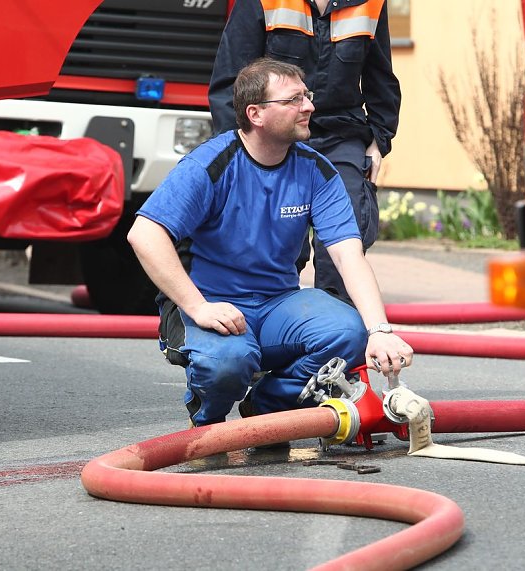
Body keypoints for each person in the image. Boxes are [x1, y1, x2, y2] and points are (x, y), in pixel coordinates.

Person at [127, 58, 412, 427]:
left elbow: (348, 255)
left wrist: (380, 332)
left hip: (277, 303)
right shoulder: (210, 164)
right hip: (212, 304)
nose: (309, 106)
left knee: (349, 333)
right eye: (294, 99)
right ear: (256, 114)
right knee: (228, 364)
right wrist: (198, 307)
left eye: (306, 95)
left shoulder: (315, 169)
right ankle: (207, 424)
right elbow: (144, 234)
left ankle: (266, 411)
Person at [208, 0, 401, 305]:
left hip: (342, 136)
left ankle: (335, 335)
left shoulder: (371, 3)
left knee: (346, 237)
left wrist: (379, 141)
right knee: (277, 244)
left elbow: (382, 76)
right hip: (276, 139)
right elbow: (230, 82)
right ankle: (271, 324)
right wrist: (241, 152)